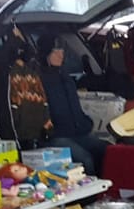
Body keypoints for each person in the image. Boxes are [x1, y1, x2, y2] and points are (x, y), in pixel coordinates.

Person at [38, 37, 108, 176]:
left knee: (108, 150)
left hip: (77, 131)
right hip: (55, 135)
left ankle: (110, 188)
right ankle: (91, 196)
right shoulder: (39, 79)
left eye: (62, 51)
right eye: (55, 51)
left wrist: (85, 121)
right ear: (45, 53)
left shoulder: (65, 76)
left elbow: (74, 106)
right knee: (85, 160)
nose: (60, 55)